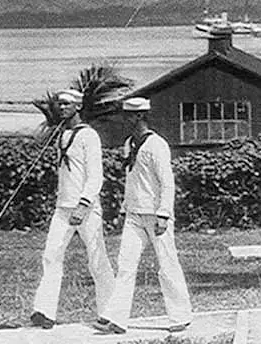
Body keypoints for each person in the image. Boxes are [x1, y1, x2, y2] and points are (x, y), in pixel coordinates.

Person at [95, 97, 192, 335]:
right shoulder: (129, 144)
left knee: (167, 263)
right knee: (125, 265)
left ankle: (180, 315)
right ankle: (118, 319)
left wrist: (164, 214)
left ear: (140, 116)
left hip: (156, 214)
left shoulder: (157, 145)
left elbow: (167, 183)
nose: (125, 119)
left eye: (129, 115)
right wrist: (124, 208)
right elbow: (131, 180)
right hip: (134, 214)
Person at [30, 88, 115, 330]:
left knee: (97, 259)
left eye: (66, 104)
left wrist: (83, 204)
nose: (61, 107)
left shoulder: (89, 136)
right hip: (63, 207)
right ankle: (45, 311)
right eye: (59, 104)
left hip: (85, 208)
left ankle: (110, 312)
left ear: (78, 106)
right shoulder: (63, 135)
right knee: (51, 256)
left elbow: (95, 176)